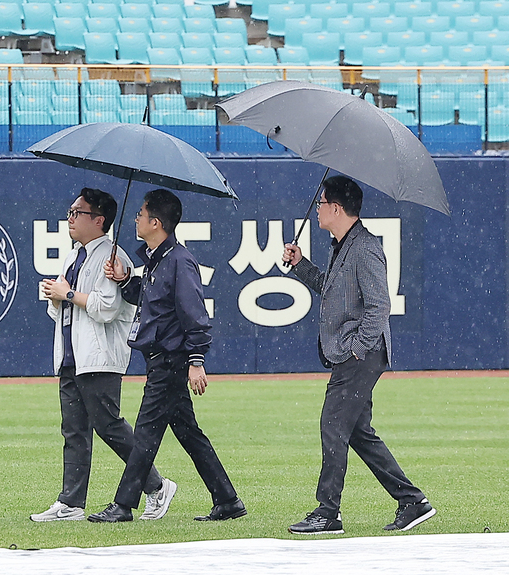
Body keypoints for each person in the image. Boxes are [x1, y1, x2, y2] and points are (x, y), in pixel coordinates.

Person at [280, 175, 435, 534]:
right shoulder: (343, 244)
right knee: (357, 432)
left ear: (336, 208)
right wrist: (301, 265)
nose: (317, 209)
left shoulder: (363, 247)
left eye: (321, 204)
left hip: (360, 354)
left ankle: (327, 512)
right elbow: (331, 289)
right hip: (357, 352)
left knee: (333, 424)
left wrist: (357, 349)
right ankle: (412, 501)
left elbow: (380, 304)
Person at [90, 189, 245, 523]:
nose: (137, 218)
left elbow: (194, 314)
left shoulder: (178, 260)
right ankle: (228, 500)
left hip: (170, 361)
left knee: (146, 432)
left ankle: (124, 504)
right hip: (161, 357)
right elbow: (150, 299)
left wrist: (196, 360)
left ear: (156, 222)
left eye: (142, 213)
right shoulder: (158, 258)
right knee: (189, 433)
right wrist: (124, 280)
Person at [31, 188, 177, 523]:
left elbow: (107, 307)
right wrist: (57, 298)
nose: (70, 217)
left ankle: (156, 486)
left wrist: (66, 292)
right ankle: (70, 502)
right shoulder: (73, 256)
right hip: (72, 355)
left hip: (98, 356)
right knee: (74, 429)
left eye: (77, 212)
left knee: (109, 425)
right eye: (70, 211)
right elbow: (64, 312)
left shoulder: (113, 258)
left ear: (99, 220)